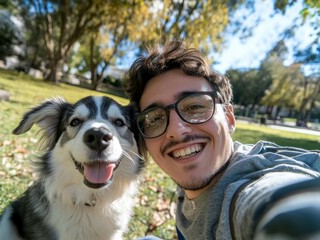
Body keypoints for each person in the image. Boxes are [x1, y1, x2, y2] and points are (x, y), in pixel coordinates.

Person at [124, 40, 320, 240]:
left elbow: (281, 204)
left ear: (229, 118)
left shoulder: (251, 184)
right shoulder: (195, 172)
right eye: (155, 118)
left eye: (195, 107)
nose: (176, 131)